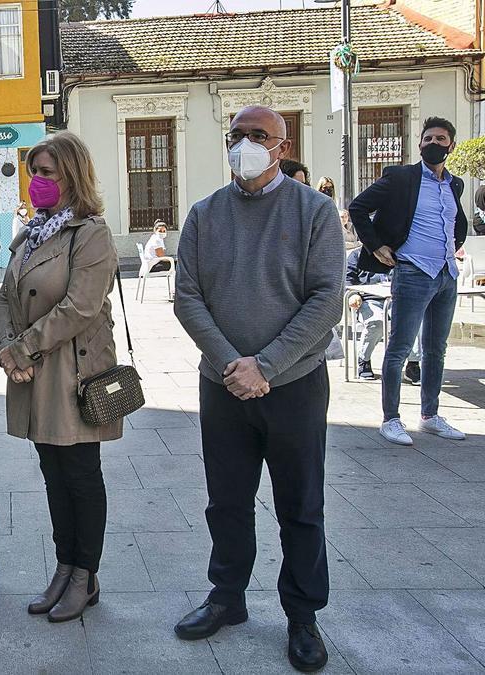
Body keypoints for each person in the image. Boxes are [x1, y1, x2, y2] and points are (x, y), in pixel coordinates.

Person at [172, 105, 343, 672]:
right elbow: (187, 297)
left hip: (292, 384)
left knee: (300, 505)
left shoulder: (314, 211)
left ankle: (302, 615)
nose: (246, 144)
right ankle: (227, 598)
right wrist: (231, 364)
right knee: (226, 501)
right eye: (237, 135)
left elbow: (325, 299)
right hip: (222, 387)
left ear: (281, 144)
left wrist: (265, 364)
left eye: (258, 136)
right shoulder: (204, 215)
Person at [0, 132, 119, 623]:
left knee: (81, 476)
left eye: (48, 173)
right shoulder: (30, 232)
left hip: (72, 372)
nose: (38, 181)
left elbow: (80, 307)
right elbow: (4, 295)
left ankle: (85, 575)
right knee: (52, 474)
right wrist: (6, 348)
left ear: (73, 176)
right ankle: (64, 566)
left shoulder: (91, 233)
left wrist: (22, 346)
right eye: (34, 172)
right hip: (30, 372)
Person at [349, 116, 469, 446]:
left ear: (451, 146)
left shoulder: (453, 184)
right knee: (400, 347)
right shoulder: (401, 178)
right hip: (413, 272)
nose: (433, 144)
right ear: (419, 145)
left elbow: (456, 220)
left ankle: (430, 415)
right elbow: (358, 207)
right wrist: (375, 245)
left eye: (440, 139)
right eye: (427, 138)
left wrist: (456, 244)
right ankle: (391, 419)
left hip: (446, 274)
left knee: (436, 349)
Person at [345, 248, 421, 381]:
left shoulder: (398, 253)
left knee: (413, 319)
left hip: (396, 298)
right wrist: (354, 295)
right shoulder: (357, 255)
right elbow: (346, 279)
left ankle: (413, 364)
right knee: (376, 321)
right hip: (368, 299)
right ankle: (364, 359)